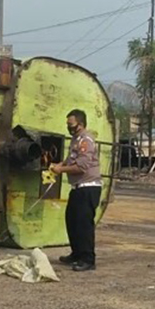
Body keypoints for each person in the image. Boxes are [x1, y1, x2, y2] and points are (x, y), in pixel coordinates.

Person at [51, 109, 102, 271]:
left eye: (71, 124)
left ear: (80, 124)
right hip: (77, 188)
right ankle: (76, 253)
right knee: (72, 221)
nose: (69, 127)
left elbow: (81, 166)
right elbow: (70, 160)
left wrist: (62, 170)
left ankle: (88, 259)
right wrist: (59, 165)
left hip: (88, 188)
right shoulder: (75, 140)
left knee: (83, 224)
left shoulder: (85, 140)